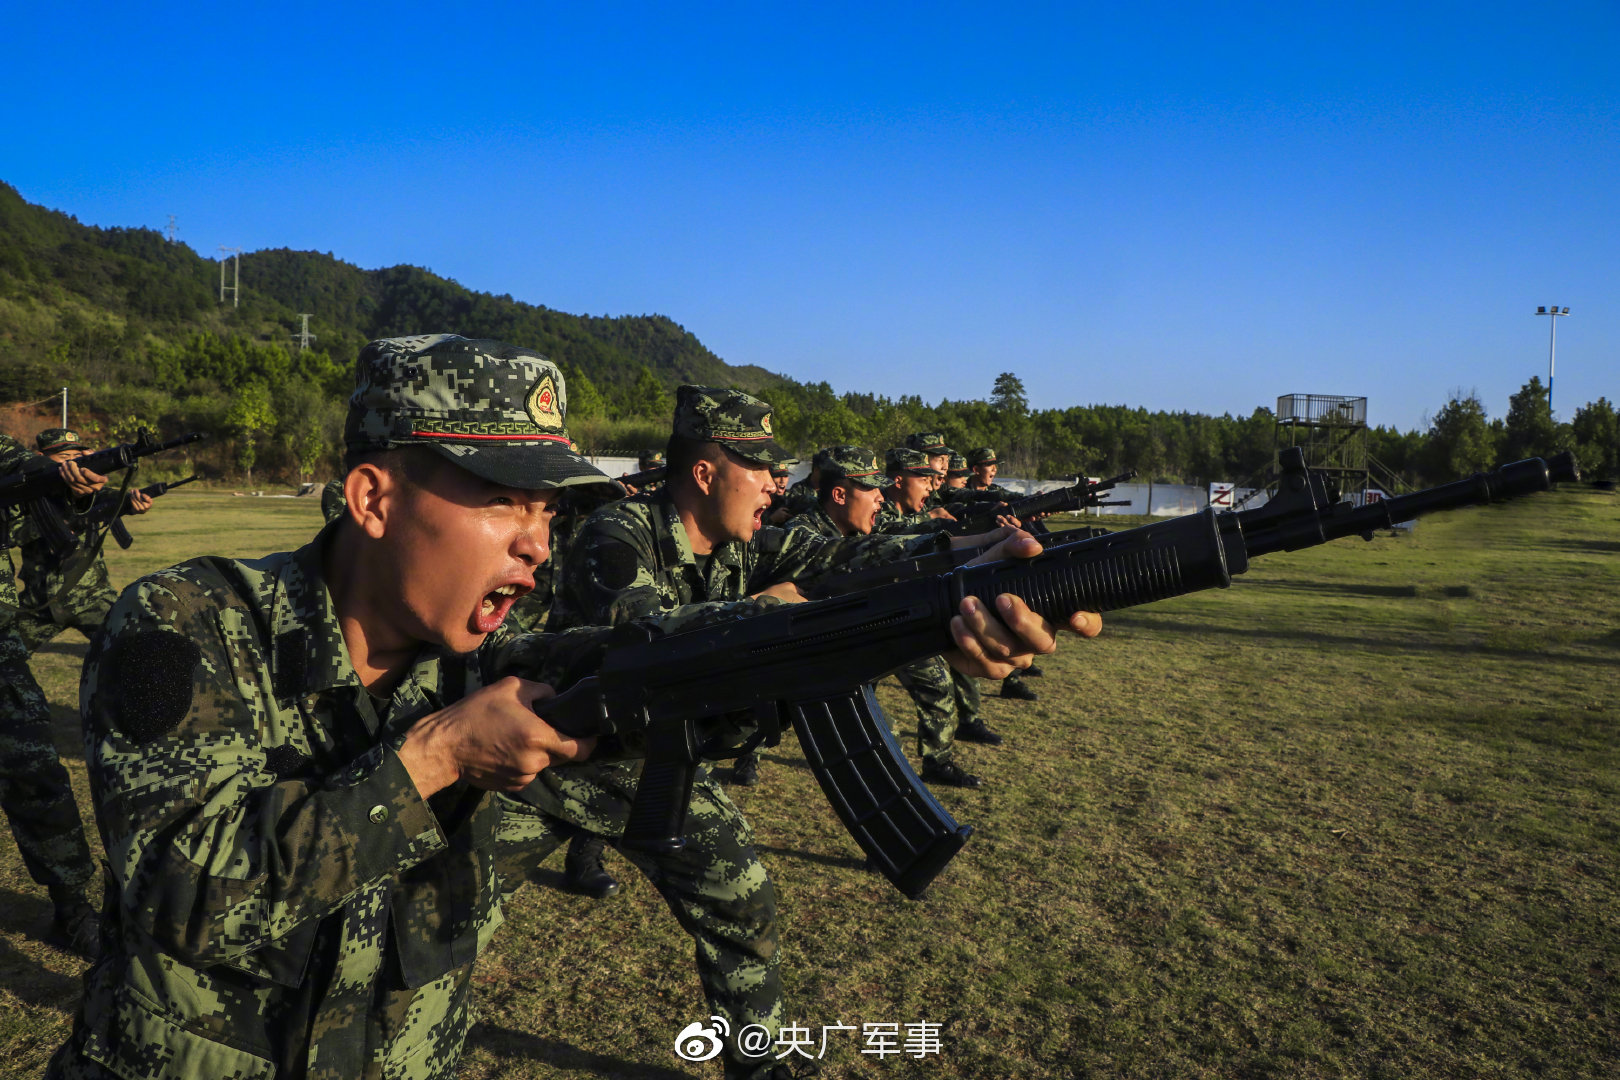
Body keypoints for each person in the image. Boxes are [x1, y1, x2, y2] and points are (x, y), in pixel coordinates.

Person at [46, 335, 642, 1079]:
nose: (537, 545)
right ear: (373, 500)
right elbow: (185, 899)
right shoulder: (188, 625)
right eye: (502, 501)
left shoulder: (486, 666)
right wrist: (435, 757)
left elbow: (641, 671)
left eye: (549, 512)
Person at [504, 384, 1086, 1080]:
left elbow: (853, 561)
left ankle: (757, 1063)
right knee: (436, 907)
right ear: (704, 473)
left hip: (644, 751)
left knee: (737, 893)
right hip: (539, 749)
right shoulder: (617, 537)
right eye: (758, 468)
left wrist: (979, 550)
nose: (775, 483)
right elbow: (645, 638)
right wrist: (765, 614)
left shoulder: (742, 547)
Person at [783, 447, 989, 786]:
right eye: (871, 490)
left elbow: (903, 536)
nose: (881, 497)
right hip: (819, 651)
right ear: (838, 494)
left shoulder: (864, 525)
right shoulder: (801, 534)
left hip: (874, 629)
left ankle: (937, 762)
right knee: (880, 728)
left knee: (937, 684)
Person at [0, 431, 110, 958]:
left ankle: (71, 907)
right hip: (37, 610)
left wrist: (77, 487)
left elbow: (27, 483)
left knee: (33, 767)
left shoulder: (9, 457)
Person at [11, 428, 154, 652]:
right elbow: (13, 533)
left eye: (77, 457)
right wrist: (67, 515)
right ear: (40, 460)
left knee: (137, 653)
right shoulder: (25, 496)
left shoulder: (90, 492)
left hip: (91, 598)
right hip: (39, 604)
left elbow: (110, 498)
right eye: (64, 458)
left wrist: (131, 502)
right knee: (6, 656)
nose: (73, 464)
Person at [962, 449, 1042, 698]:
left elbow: (1014, 500)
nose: (994, 469)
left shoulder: (996, 494)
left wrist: (1040, 502)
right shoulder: (959, 494)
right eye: (989, 465)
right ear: (976, 469)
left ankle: (1013, 680)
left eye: (996, 465)